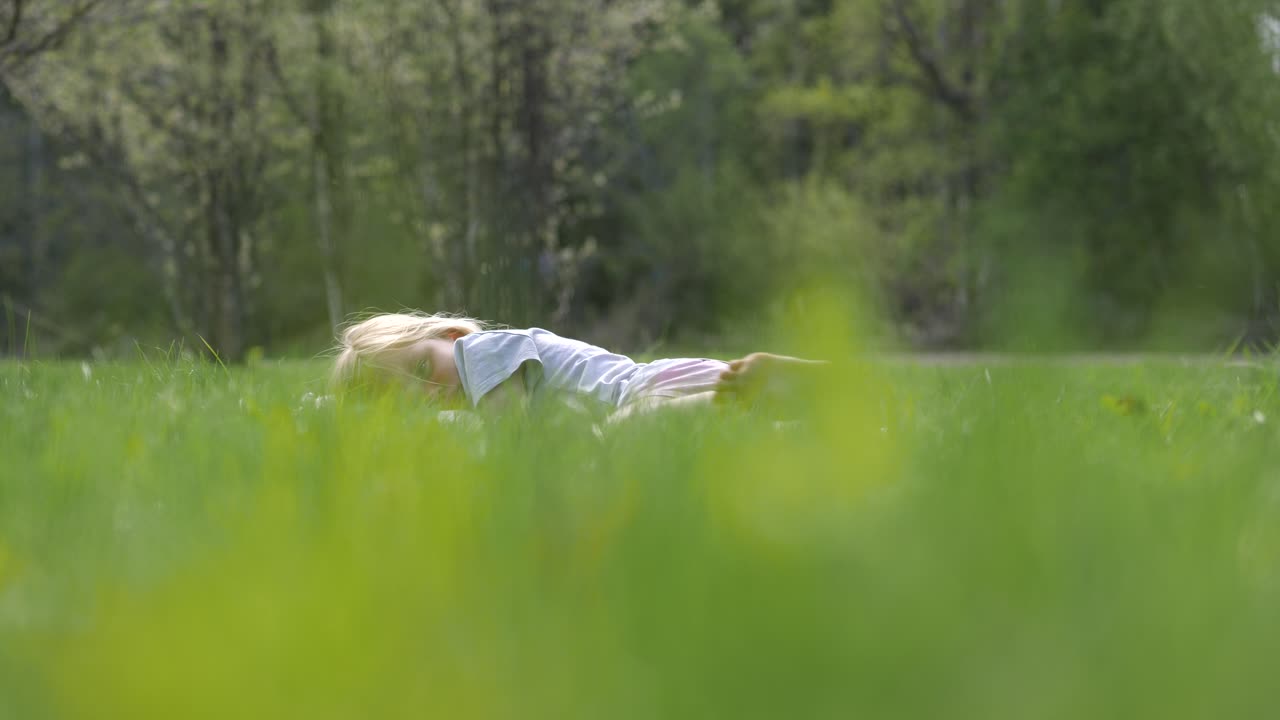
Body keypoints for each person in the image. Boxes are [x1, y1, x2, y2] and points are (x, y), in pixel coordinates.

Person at [329, 311, 827, 423]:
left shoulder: (480, 355)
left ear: (450, 336)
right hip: (680, 376)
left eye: (421, 367)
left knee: (624, 432)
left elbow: (515, 437)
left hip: (643, 392)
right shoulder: (479, 367)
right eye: (408, 396)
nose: (428, 391)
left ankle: (736, 394)